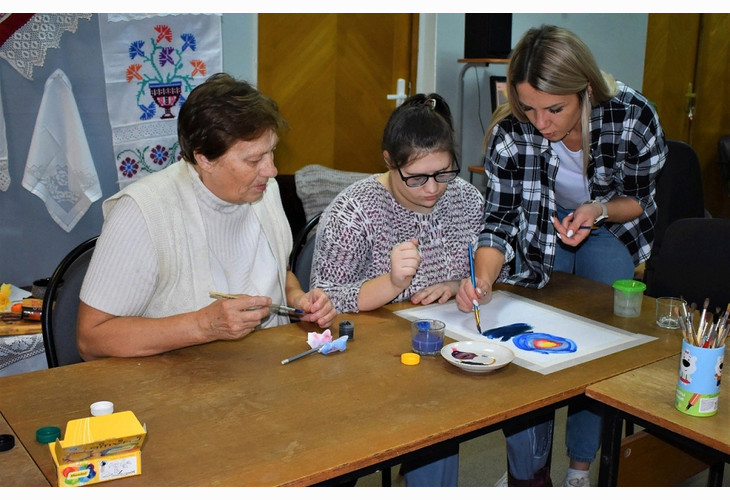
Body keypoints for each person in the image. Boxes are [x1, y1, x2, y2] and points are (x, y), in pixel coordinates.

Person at [456, 25, 667, 487]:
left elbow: (639, 200)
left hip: (612, 226)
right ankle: (527, 474)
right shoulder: (511, 131)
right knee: (531, 337)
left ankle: (579, 467)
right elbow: (500, 221)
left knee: (600, 340)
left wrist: (596, 209)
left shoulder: (632, 116)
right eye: (528, 107)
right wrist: (486, 279)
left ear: (585, 89)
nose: (541, 123)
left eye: (555, 108)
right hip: (539, 228)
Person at [77, 73, 337, 360]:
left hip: (265, 371)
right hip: (174, 385)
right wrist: (203, 325)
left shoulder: (265, 191)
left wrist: (298, 299)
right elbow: (92, 338)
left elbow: (277, 271)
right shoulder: (143, 211)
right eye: (254, 160)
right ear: (204, 158)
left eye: (271, 152)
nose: (271, 170)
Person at [311, 93, 485, 486]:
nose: (432, 189)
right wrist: (391, 284)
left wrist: (461, 283)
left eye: (443, 173)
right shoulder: (354, 211)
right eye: (417, 177)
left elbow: (489, 264)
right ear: (389, 161)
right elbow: (323, 300)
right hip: (368, 361)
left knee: (464, 404)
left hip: (445, 352)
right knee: (428, 410)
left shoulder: (466, 198)